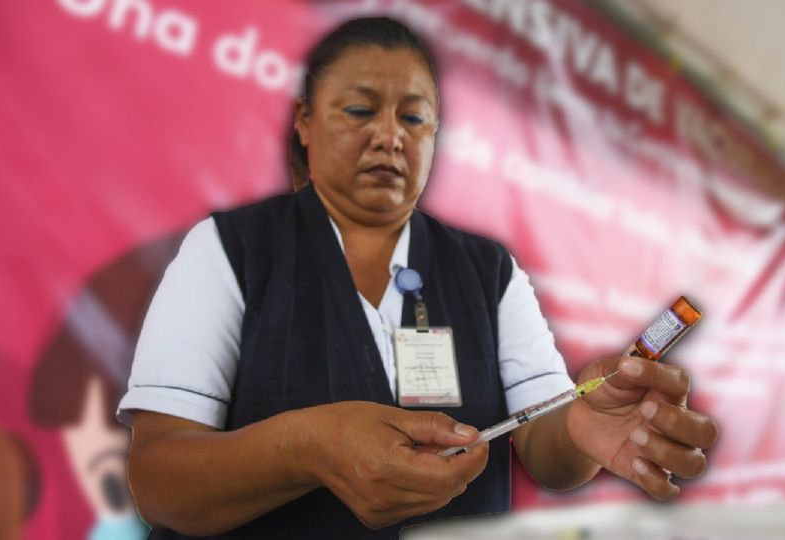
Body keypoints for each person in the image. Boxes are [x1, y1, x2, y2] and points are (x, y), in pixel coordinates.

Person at [118, 17, 718, 539]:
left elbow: (546, 444)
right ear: (304, 120)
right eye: (359, 110)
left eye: (414, 117)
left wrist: (583, 428)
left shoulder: (488, 271)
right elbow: (159, 481)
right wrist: (306, 448)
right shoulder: (231, 251)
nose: (389, 136)